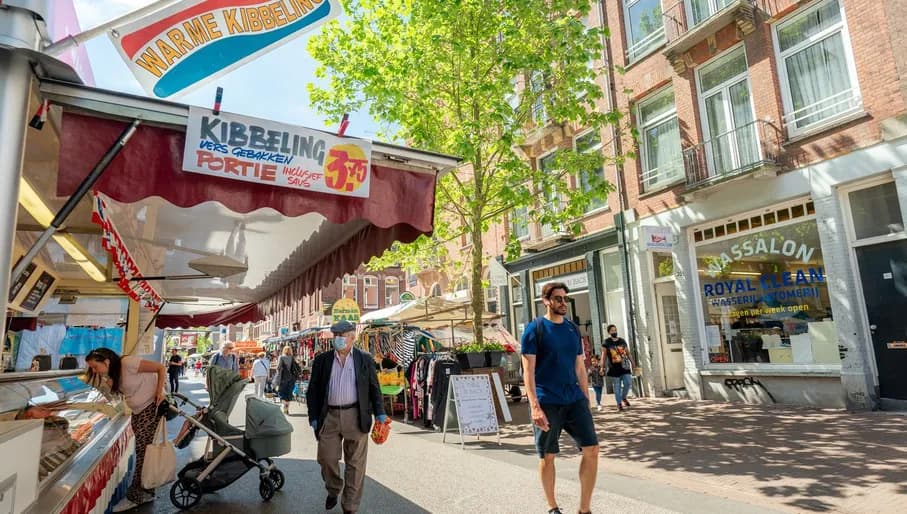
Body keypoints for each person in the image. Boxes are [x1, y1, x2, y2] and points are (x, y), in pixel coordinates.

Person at [521, 282, 599, 514]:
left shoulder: (572, 329)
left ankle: (584, 509)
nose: (563, 303)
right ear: (546, 301)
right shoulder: (534, 329)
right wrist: (535, 406)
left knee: (592, 449)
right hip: (547, 400)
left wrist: (586, 398)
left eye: (565, 299)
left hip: (574, 399)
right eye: (557, 299)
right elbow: (528, 371)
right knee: (548, 454)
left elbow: (580, 366)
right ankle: (552, 506)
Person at [307, 320, 386, 514]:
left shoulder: (364, 359)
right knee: (326, 458)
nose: (338, 340)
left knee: (356, 465)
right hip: (330, 416)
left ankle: (350, 506)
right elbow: (313, 390)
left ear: (352, 338)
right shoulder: (322, 360)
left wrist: (380, 413)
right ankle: (333, 489)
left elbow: (374, 388)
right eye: (335, 336)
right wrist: (313, 416)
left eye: (341, 336)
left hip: (356, 415)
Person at [85, 348, 167, 512]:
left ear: (106, 361)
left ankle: (136, 497)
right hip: (138, 412)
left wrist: (159, 392)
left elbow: (160, 368)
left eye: (95, 366)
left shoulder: (127, 362)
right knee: (143, 452)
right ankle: (146, 491)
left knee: (144, 454)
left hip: (151, 409)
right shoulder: (113, 373)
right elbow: (119, 393)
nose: (94, 371)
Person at [603, 325, 633, 411]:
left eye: (615, 330)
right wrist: (602, 367)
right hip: (613, 368)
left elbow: (628, 353)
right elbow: (603, 356)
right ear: (609, 332)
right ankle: (619, 403)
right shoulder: (606, 342)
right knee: (617, 386)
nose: (614, 332)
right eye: (612, 330)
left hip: (624, 366)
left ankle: (623, 397)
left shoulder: (622, 341)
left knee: (628, 382)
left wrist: (633, 363)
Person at [275, 346, 300, 414]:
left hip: (283, 378)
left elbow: (278, 367)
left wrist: (277, 375)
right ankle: (287, 407)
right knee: (289, 393)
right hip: (292, 378)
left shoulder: (281, 357)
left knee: (282, 392)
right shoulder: (292, 357)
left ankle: (284, 405)